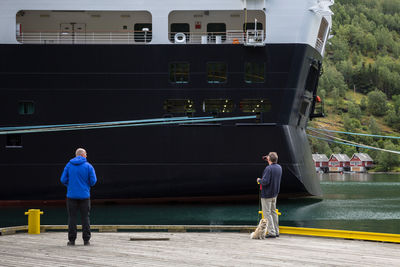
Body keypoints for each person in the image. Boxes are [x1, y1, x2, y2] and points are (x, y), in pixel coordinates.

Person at [60, 148, 97, 246]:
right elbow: (93, 181)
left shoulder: (69, 165)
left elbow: (63, 179)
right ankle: (86, 240)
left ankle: (72, 240)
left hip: (71, 196)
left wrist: (71, 185)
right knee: (85, 218)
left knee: (72, 218)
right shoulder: (88, 166)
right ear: (83, 155)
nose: (87, 156)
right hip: (85, 196)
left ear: (76, 155)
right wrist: (85, 186)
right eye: (86, 154)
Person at [257, 152, 282, 238]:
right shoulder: (279, 167)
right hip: (275, 194)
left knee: (267, 214)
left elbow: (265, 181)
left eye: (267, 158)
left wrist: (259, 180)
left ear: (269, 159)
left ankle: (272, 232)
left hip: (267, 195)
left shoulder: (268, 168)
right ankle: (276, 231)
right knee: (273, 212)